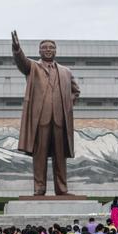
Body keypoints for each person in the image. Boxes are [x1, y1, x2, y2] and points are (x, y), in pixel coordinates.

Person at [11, 31, 80, 196]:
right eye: (44, 48)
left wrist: (66, 104)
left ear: (55, 51)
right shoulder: (33, 67)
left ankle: (62, 189)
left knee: (60, 156)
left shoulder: (65, 71)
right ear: (39, 51)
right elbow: (22, 63)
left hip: (59, 120)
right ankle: (39, 188)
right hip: (40, 119)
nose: (48, 50)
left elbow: (75, 91)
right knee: (39, 156)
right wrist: (17, 49)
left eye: (51, 47)